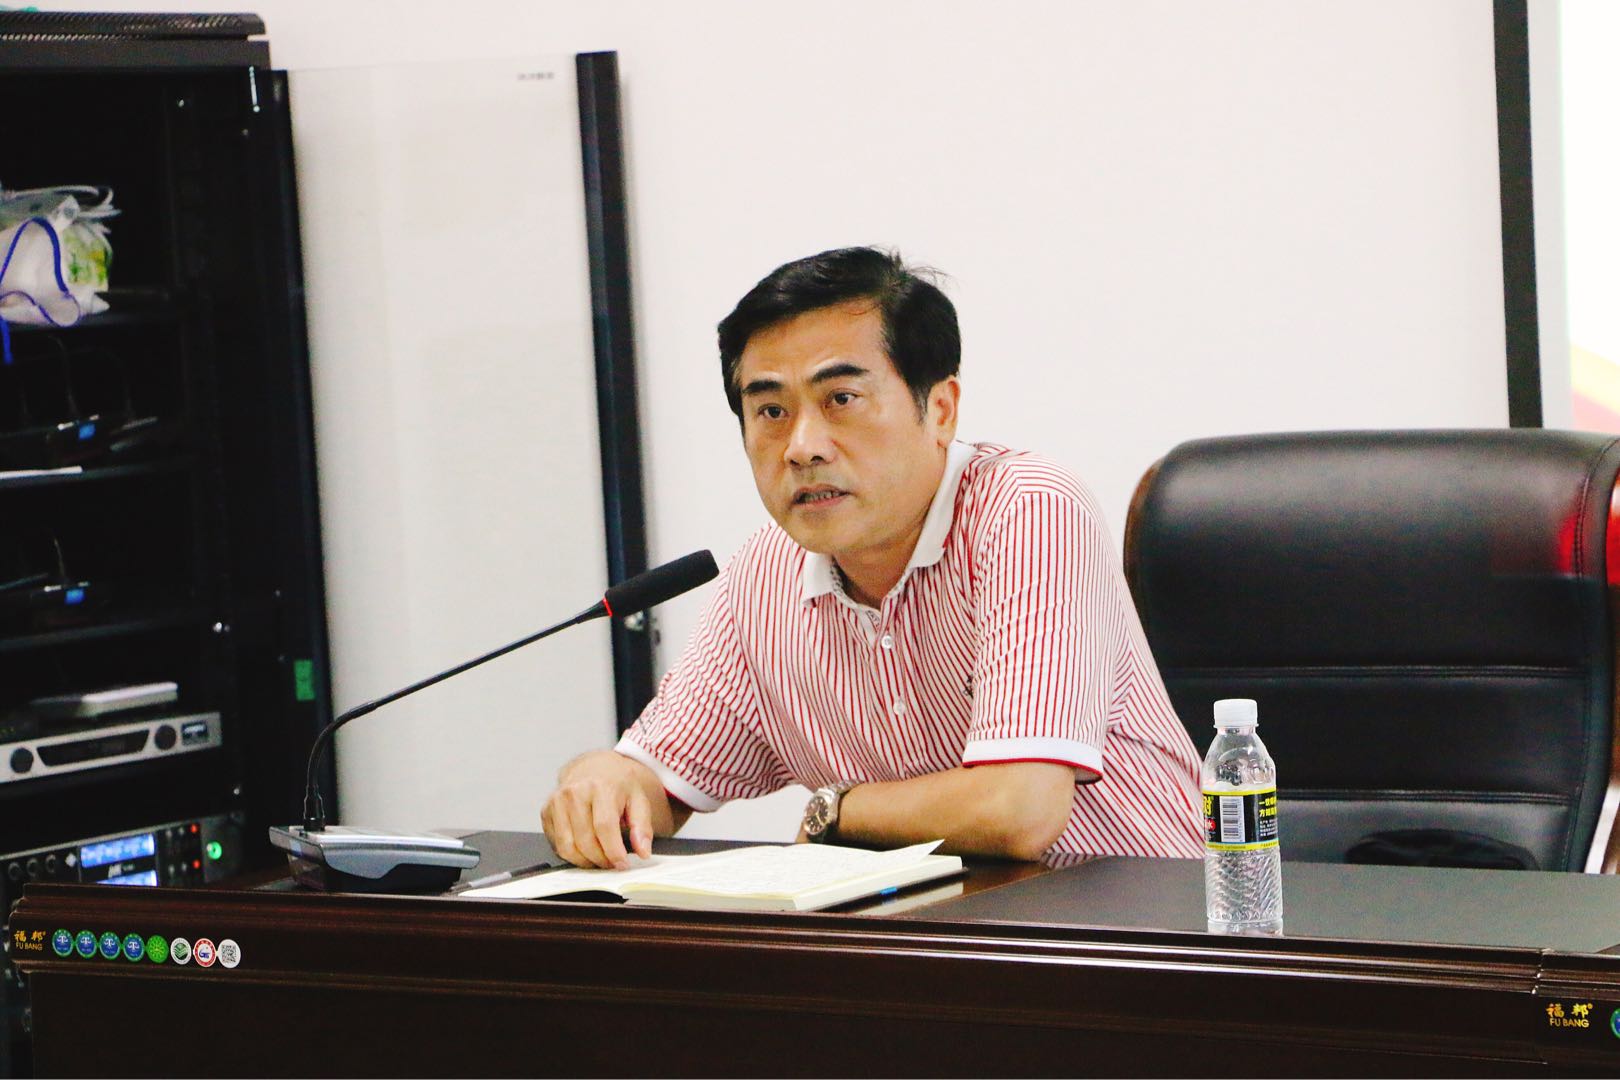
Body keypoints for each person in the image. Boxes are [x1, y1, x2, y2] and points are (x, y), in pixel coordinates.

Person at [542, 247, 1202, 868]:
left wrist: (837, 811)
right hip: (926, 938)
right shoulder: (765, 574)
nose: (802, 446)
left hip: (1145, 928)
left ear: (940, 410)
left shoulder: (1026, 510)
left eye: (842, 400)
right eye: (770, 410)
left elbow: (1020, 808)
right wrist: (601, 783)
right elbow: (658, 780)